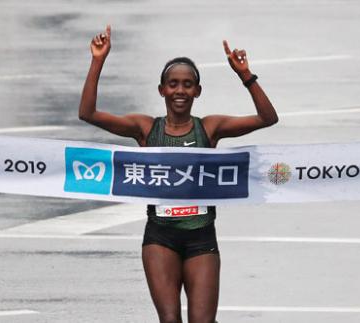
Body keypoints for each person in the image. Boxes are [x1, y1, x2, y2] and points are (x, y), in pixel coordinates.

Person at [79, 25, 278, 323]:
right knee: (170, 320)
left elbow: (267, 118)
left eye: (187, 84)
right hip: (160, 237)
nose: (180, 91)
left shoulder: (209, 128)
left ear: (197, 91)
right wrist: (98, 60)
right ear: (162, 90)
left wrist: (245, 75)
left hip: (201, 238)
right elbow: (88, 114)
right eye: (173, 84)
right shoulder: (146, 128)